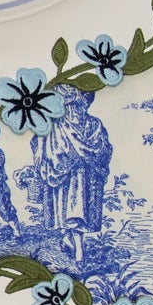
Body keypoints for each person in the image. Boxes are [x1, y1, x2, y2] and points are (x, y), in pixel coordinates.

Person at [31, 88, 111, 265]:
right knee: (70, 212)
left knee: (78, 211)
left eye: (81, 104)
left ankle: (74, 245)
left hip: (85, 179)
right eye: (73, 105)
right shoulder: (57, 125)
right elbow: (43, 146)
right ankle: (76, 248)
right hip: (66, 178)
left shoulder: (94, 125)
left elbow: (104, 150)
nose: (77, 109)